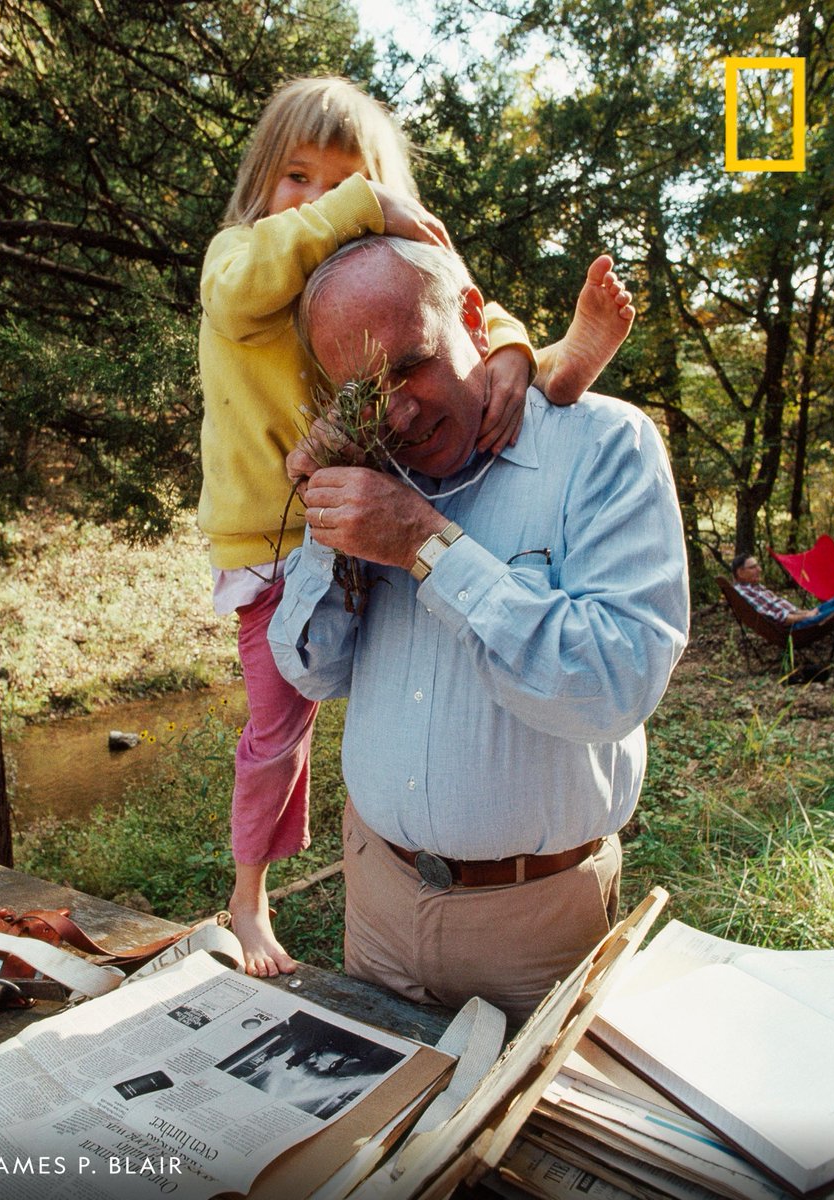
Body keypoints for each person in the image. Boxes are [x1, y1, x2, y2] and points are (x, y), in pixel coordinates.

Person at [198, 75, 637, 979]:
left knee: (487, 405)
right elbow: (243, 289)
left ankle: (561, 370)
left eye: (346, 180)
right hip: (272, 533)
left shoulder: (587, 443)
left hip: (366, 477)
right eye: (298, 177)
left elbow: (457, 309)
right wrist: (363, 205)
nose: (319, 198)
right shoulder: (245, 257)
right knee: (279, 726)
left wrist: (515, 351)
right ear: (262, 184)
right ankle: (247, 896)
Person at [268, 235, 689, 1023]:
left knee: (534, 1144)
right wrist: (331, 528)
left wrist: (427, 545)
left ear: (473, 317)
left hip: (539, 925)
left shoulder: (606, 447)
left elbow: (616, 683)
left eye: (411, 363)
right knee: (384, 1136)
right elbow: (312, 669)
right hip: (378, 897)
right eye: (362, 391)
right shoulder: (375, 468)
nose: (396, 409)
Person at [731, 554, 834, 651]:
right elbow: (781, 618)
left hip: (800, 618)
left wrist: (806, 612)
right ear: (740, 573)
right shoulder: (744, 593)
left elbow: (784, 610)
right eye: (753, 567)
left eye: (758, 566)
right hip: (794, 628)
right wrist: (807, 616)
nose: (759, 569)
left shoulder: (755, 587)